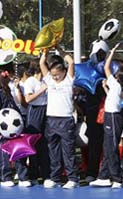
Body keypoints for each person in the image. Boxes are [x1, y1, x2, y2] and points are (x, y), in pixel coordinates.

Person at [89, 43, 123, 189]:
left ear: (119, 75)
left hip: (113, 117)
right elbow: (113, 99)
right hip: (113, 115)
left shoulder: (116, 83)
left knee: (111, 148)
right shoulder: (120, 87)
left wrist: (111, 53)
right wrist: (106, 88)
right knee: (108, 147)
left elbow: (106, 67)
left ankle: (117, 178)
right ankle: (103, 176)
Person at [40, 49, 79, 189]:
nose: (55, 77)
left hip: (66, 120)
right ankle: (55, 178)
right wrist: (45, 50)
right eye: (53, 75)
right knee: (53, 151)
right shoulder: (49, 80)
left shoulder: (69, 80)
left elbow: (71, 61)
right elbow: (41, 63)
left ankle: (72, 178)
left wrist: (59, 47)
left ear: (63, 71)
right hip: (51, 120)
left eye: (57, 74)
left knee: (68, 151)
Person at [0, 68, 31, 187]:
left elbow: (14, 109)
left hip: (14, 128)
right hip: (2, 130)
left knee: (19, 152)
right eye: (7, 78)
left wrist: (19, 123)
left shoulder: (7, 91)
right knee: (4, 154)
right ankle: (6, 177)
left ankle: (23, 177)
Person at [24, 58, 50, 184]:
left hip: (46, 110)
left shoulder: (45, 80)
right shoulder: (30, 81)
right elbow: (28, 99)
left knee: (45, 142)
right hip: (35, 111)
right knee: (33, 142)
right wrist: (42, 90)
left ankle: (46, 174)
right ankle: (33, 175)